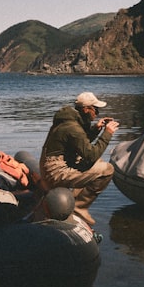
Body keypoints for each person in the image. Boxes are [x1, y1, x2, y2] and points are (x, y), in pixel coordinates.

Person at [39, 91, 120, 226]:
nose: (97, 113)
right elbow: (90, 155)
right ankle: (78, 207)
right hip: (54, 171)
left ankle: (72, 200)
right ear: (86, 109)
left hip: (52, 165)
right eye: (96, 110)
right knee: (107, 170)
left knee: (98, 163)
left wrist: (96, 129)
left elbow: (80, 143)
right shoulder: (72, 127)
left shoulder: (69, 121)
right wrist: (107, 134)